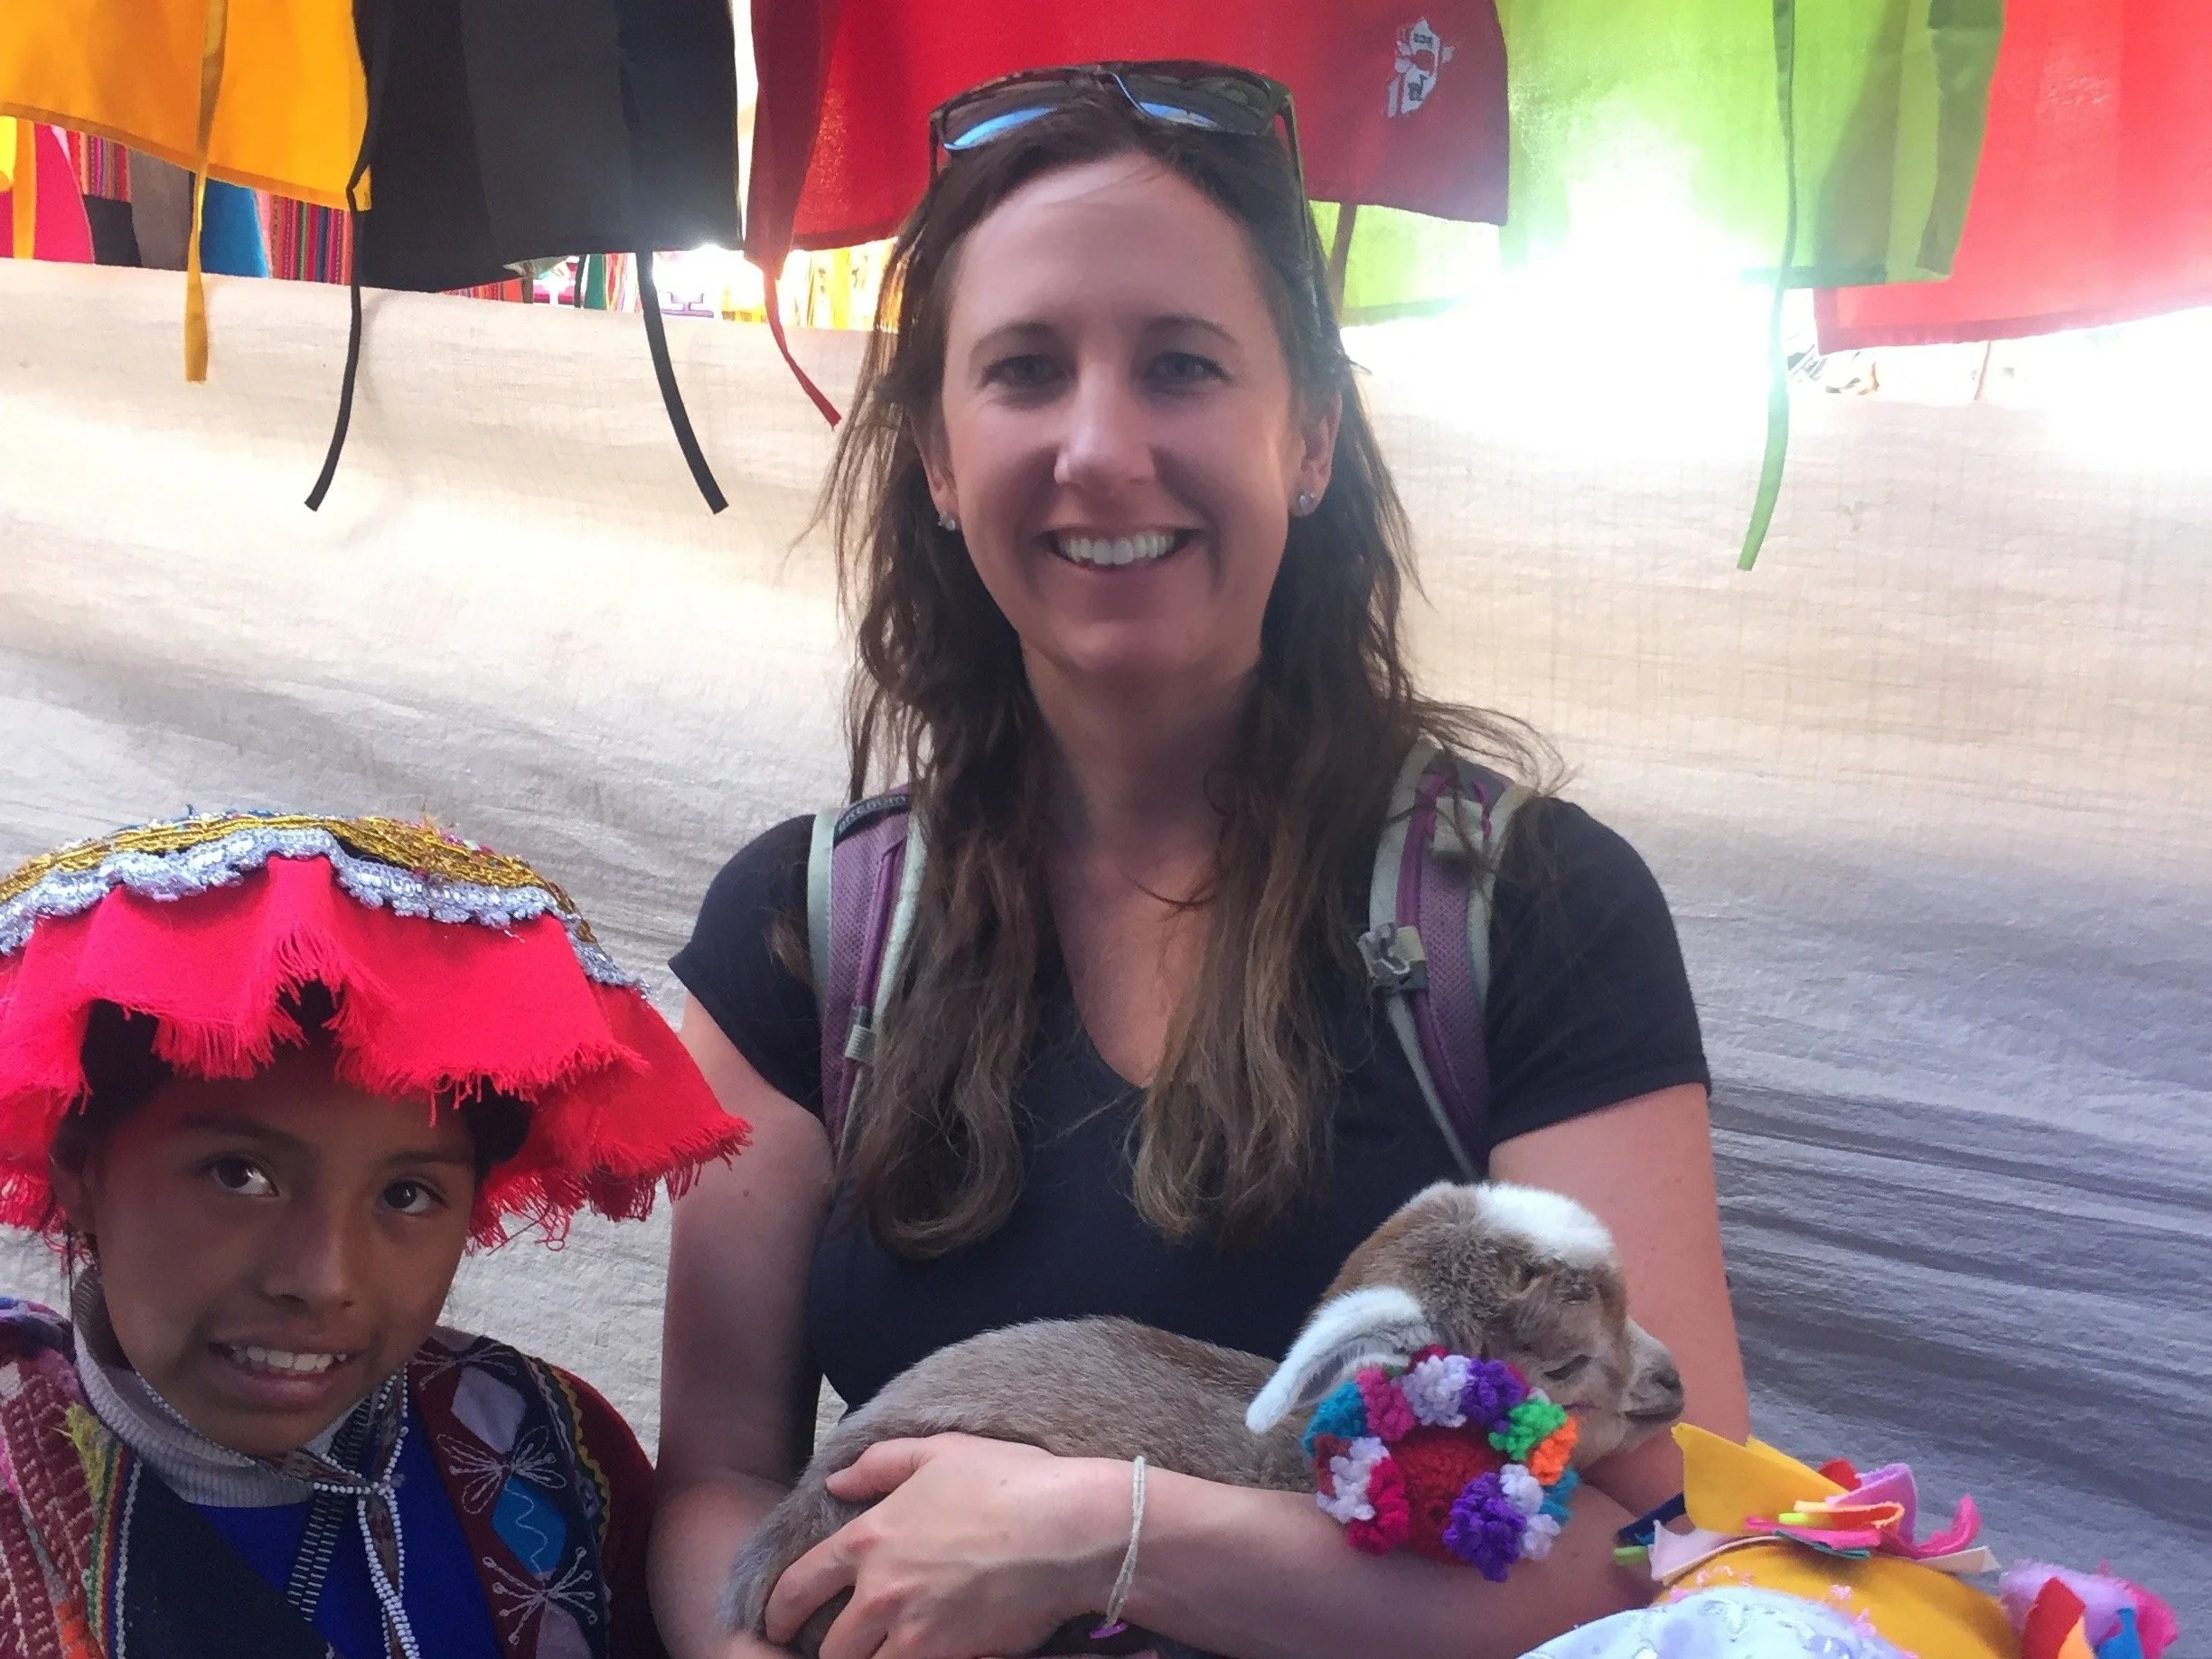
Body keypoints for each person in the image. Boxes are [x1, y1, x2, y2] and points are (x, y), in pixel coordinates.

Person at [652, 62, 1747, 1659]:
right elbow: (720, 1482)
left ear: (1307, 436)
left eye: (1180, 365)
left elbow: (1674, 1532)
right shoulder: (804, 930)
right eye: (1024, 369)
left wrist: (1101, 1532)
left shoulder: (1532, 913)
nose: (1099, 448)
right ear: (940, 459)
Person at [0, 811, 749, 1659]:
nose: (324, 1278)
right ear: (78, 1166)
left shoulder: (548, 1450)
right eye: (239, 1175)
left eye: (406, 1193)